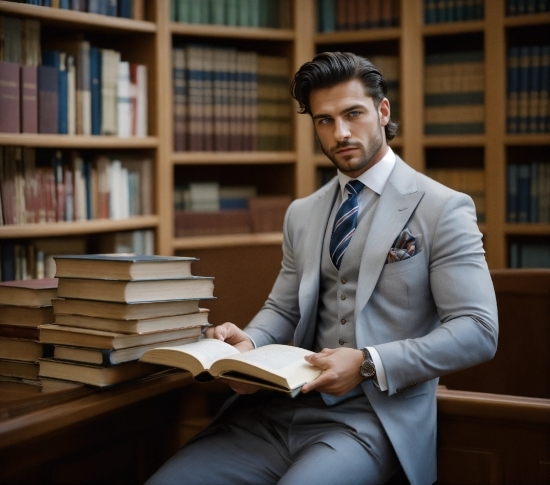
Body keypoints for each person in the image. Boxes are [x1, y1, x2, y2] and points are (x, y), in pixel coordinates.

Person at [145, 52, 498, 485]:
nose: (341, 133)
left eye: (353, 114)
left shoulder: (442, 208)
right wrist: (247, 345)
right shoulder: (302, 213)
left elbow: (478, 329)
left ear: (383, 111)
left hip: (371, 422)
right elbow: (283, 308)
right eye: (324, 120)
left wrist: (368, 362)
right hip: (274, 413)